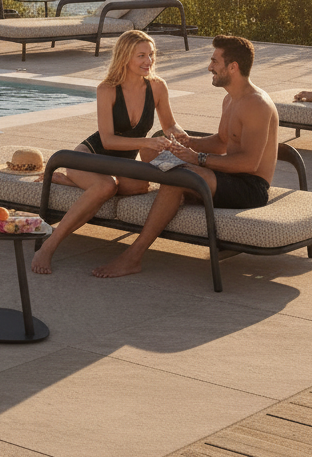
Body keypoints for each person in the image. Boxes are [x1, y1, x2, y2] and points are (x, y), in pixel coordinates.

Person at [92, 35, 278, 279]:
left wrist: (196, 158)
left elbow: (249, 164)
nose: (209, 67)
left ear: (232, 67)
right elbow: (221, 142)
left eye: (215, 61)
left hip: (249, 187)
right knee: (150, 150)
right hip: (226, 176)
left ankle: (133, 257)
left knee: (178, 178)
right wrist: (187, 143)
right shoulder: (231, 99)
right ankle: (165, 190)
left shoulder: (256, 104)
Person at [30, 30, 183, 275]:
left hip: (122, 164)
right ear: (125, 57)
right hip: (90, 157)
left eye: (151, 54)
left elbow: (170, 125)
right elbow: (108, 140)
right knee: (106, 187)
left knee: (140, 186)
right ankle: (48, 247)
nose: (149, 61)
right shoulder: (107, 89)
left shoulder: (157, 87)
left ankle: (72, 182)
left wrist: (186, 140)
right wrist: (146, 142)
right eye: (141, 55)